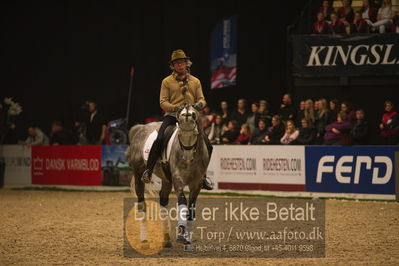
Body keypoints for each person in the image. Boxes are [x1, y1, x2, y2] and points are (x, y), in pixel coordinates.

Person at [141, 49, 213, 190]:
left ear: (187, 64)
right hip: (173, 117)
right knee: (160, 138)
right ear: (173, 66)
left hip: (191, 119)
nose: (180, 65)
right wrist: (175, 108)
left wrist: (199, 105)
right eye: (177, 63)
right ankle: (148, 171)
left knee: (208, 144)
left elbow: (202, 99)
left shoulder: (195, 81)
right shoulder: (166, 82)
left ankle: (203, 177)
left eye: (182, 63)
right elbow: (163, 102)